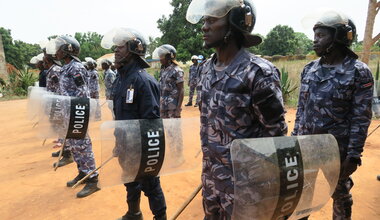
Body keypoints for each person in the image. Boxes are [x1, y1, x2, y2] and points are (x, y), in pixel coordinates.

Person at [186, 0, 287, 218]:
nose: (204, 27)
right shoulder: (206, 69)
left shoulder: (258, 73)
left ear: (234, 24)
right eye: (204, 20)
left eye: (212, 20)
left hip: (246, 187)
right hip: (211, 178)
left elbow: (275, 135)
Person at [292, 11, 373, 219]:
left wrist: (354, 155)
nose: (315, 40)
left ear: (338, 37)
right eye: (315, 35)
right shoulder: (309, 69)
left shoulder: (358, 72)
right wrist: (294, 142)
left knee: (341, 196)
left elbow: (361, 117)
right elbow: (301, 110)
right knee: (303, 195)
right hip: (307, 147)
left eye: (321, 35)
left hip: (337, 152)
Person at [101, 28, 167, 220]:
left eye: (120, 47)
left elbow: (152, 123)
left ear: (133, 49)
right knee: (129, 181)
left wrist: (147, 154)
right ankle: (134, 213)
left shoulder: (143, 81)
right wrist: (119, 143)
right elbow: (121, 117)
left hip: (142, 148)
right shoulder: (121, 79)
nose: (116, 50)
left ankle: (160, 217)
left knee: (151, 186)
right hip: (125, 146)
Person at [47, 35, 100, 198]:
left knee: (83, 146)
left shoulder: (76, 67)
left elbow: (82, 94)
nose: (56, 51)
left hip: (76, 115)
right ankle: (82, 173)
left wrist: (77, 117)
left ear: (67, 50)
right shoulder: (66, 67)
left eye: (59, 48)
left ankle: (93, 180)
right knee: (75, 146)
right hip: (68, 115)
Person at [154, 44, 184, 119]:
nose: (160, 59)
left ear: (169, 57)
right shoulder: (162, 70)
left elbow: (181, 90)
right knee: (163, 129)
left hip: (172, 108)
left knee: (173, 130)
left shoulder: (177, 71)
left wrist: (178, 109)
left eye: (162, 56)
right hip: (162, 107)